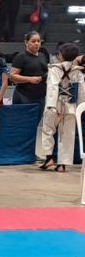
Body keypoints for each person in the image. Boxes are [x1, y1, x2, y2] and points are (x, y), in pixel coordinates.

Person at [41, 42, 85, 172]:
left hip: (54, 105)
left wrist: (50, 106)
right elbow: (82, 91)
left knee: (48, 130)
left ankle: (49, 158)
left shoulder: (54, 68)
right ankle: (62, 164)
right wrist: (79, 107)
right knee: (67, 135)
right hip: (71, 107)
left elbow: (52, 87)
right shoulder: (78, 71)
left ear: (60, 55)